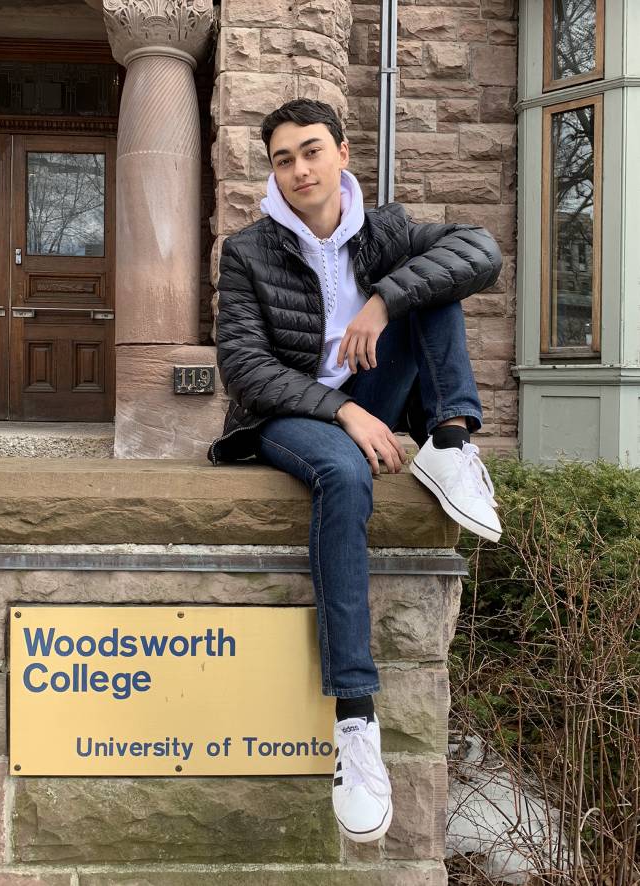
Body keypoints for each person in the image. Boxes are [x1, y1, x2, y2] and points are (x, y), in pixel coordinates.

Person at [207, 98, 504, 843]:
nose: (300, 169)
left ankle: (448, 443)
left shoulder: (387, 231)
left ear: (343, 154)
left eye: (311, 150)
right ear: (273, 171)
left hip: (378, 392)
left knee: (428, 281)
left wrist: (382, 298)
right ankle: (355, 723)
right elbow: (243, 366)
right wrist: (345, 414)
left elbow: (480, 251)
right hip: (289, 415)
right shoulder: (248, 251)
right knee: (344, 476)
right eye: (283, 158)